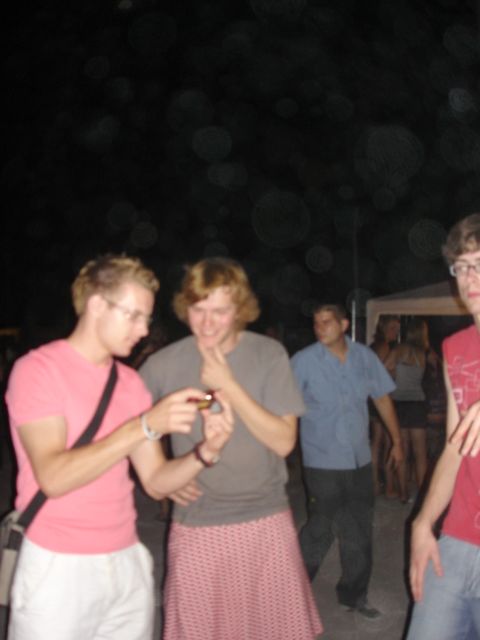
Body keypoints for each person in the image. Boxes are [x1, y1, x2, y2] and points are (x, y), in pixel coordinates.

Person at [5, 254, 233, 640]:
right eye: (134, 316)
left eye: (147, 318)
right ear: (97, 305)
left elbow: (156, 482)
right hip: (58, 566)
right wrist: (144, 426)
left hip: (127, 560)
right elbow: (54, 478)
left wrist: (206, 452)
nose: (143, 330)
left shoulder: (129, 384)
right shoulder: (38, 370)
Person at [139, 257, 323, 640]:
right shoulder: (162, 365)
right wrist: (161, 476)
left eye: (220, 311)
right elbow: (127, 430)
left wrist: (229, 385)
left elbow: (283, 441)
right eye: (198, 310)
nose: (207, 323)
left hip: (265, 519)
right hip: (197, 525)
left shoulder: (268, 355)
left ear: (239, 310)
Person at [291, 304, 403, 619]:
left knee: (359, 529)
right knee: (320, 528)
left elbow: (382, 398)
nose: (319, 327)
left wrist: (397, 441)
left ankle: (354, 596)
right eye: (316, 323)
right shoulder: (303, 361)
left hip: (359, 461)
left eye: (326, 322)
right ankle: (292, 592)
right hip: (321, 462)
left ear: (343, 325)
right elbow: (285, 406)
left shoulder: (364, 358)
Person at [407, 213, 480, 640]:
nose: (470, 277)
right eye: (462, 267)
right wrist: (423, 522)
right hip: (457, 538)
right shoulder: (455, 348)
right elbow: (454, 446)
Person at [385, 318, 431, 503]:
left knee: (402, 451)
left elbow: (385, 367)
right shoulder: (423, 353)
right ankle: (422, 495)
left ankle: (404, 494)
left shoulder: (399, 349)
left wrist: (394, 376)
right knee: (420, 454)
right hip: (417, 404)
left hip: (400, 404)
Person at [369, 315, 401, 497]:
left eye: (397, 329)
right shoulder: (383, 347)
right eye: (392, 328)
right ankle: (386, 486)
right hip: (381, 399)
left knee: (377, 442)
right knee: (384, 442)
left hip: (374, 399)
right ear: (383, 328)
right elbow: (379, 376)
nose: (395, 332)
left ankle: (376, 484)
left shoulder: (375, 346)